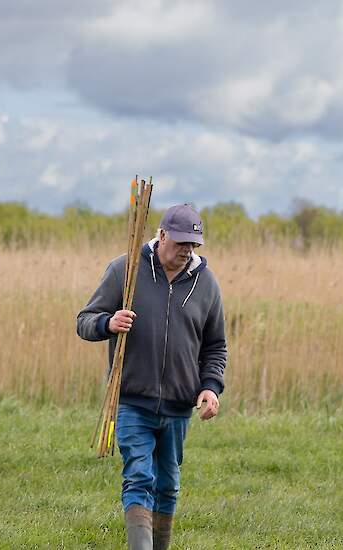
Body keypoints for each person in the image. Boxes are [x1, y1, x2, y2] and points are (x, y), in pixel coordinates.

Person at [77, 203, 227, 550]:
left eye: (193, 245)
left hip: (178, 406)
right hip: (131, 399)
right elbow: (84, 320)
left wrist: (210, 387)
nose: (187, 251)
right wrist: (107, 323)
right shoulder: (125, 269)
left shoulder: (206, 282)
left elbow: (216, 345)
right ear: (161, 236)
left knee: (168, 485)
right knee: (140, 478)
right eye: (180, 244)